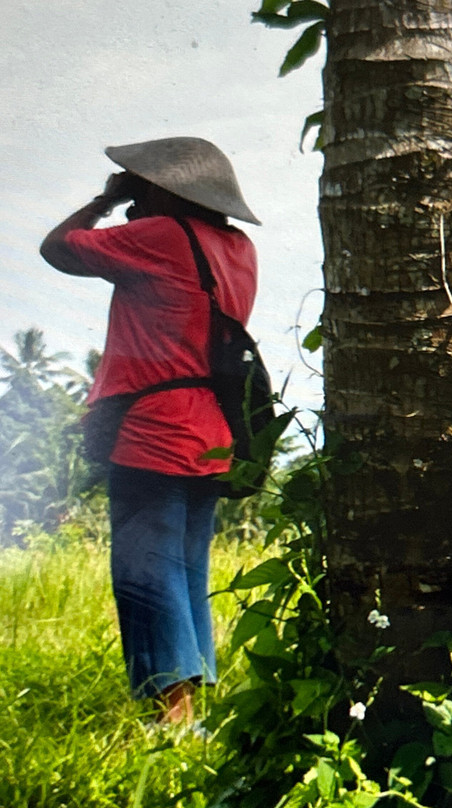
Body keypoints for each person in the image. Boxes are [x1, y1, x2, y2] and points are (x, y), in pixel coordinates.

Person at [40, 137, 261, 724]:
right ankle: (194, 708)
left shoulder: (160, 238)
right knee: (186, 568)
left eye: (140, 182)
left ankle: (172, 719)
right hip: (213, 433)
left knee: (145, 571)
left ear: (165, 190)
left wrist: (103, 202)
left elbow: (58, 248)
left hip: (153, 429)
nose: (134, 190)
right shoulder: (239, 248)